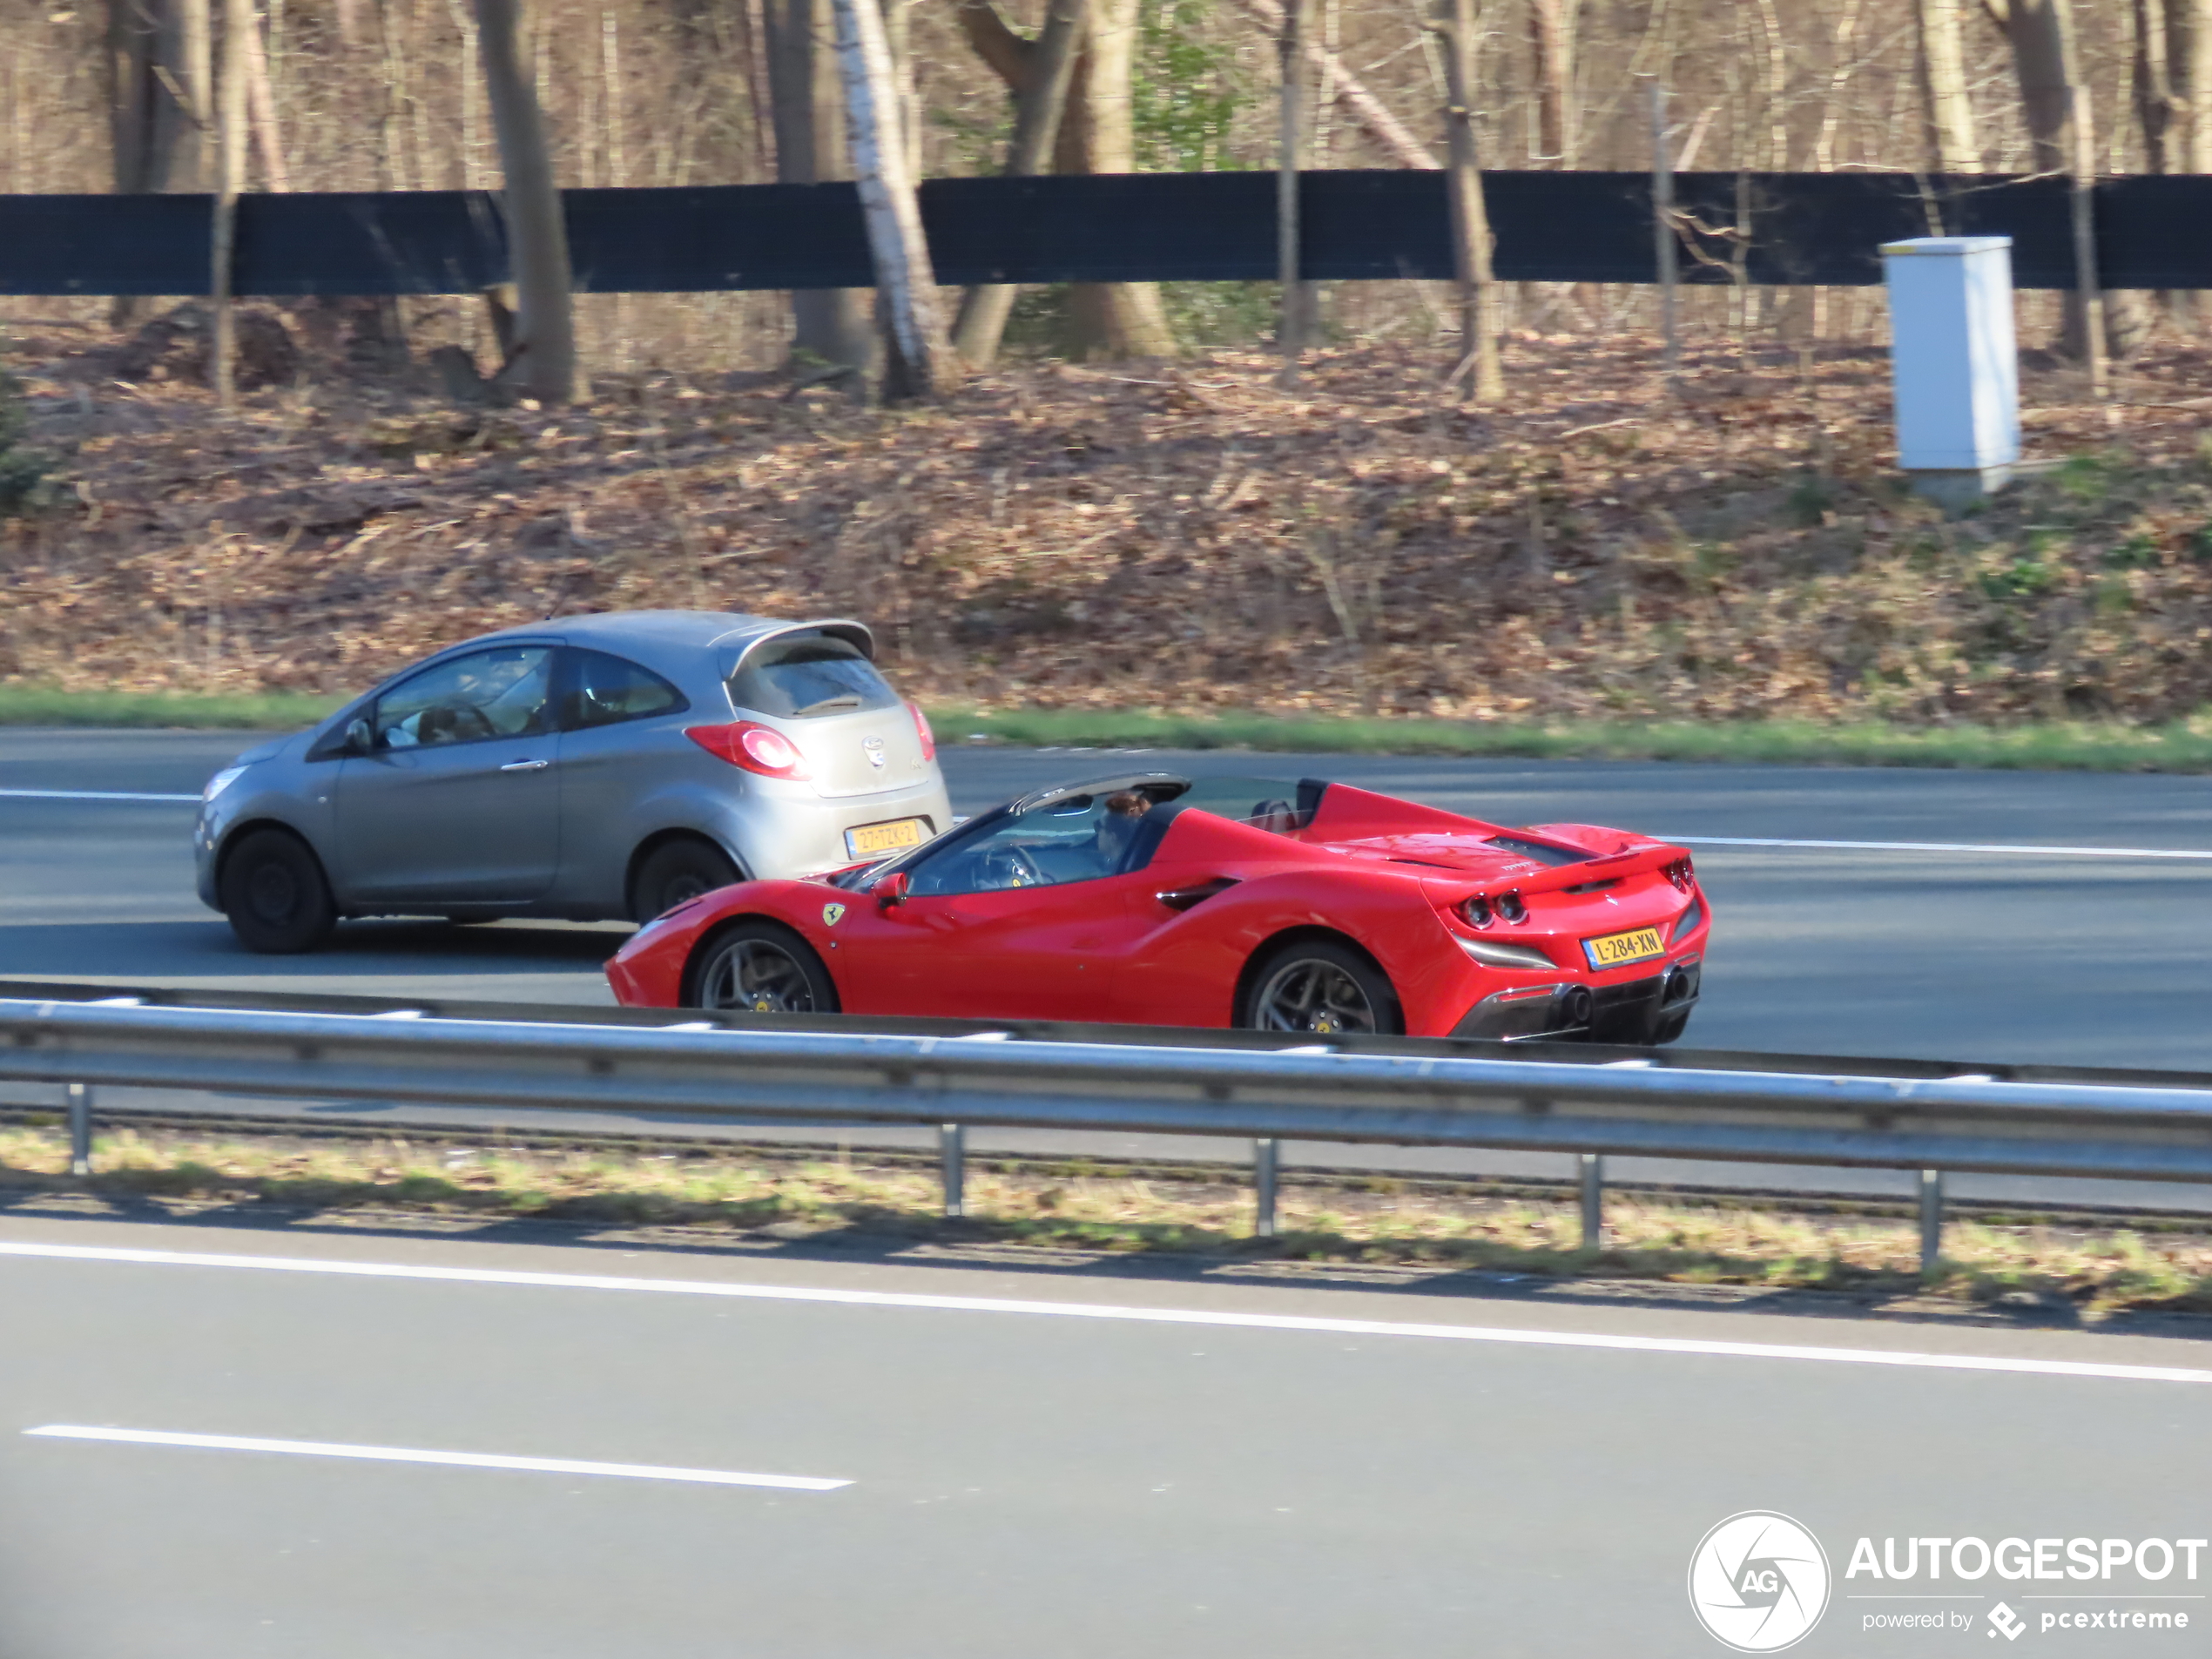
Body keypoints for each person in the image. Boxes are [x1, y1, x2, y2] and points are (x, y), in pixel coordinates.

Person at [1094, 790, 1153, 873]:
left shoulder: (1101, 874)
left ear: (1112, 837)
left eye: (1098, 826)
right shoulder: (1148, 865)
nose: (1097, 833)